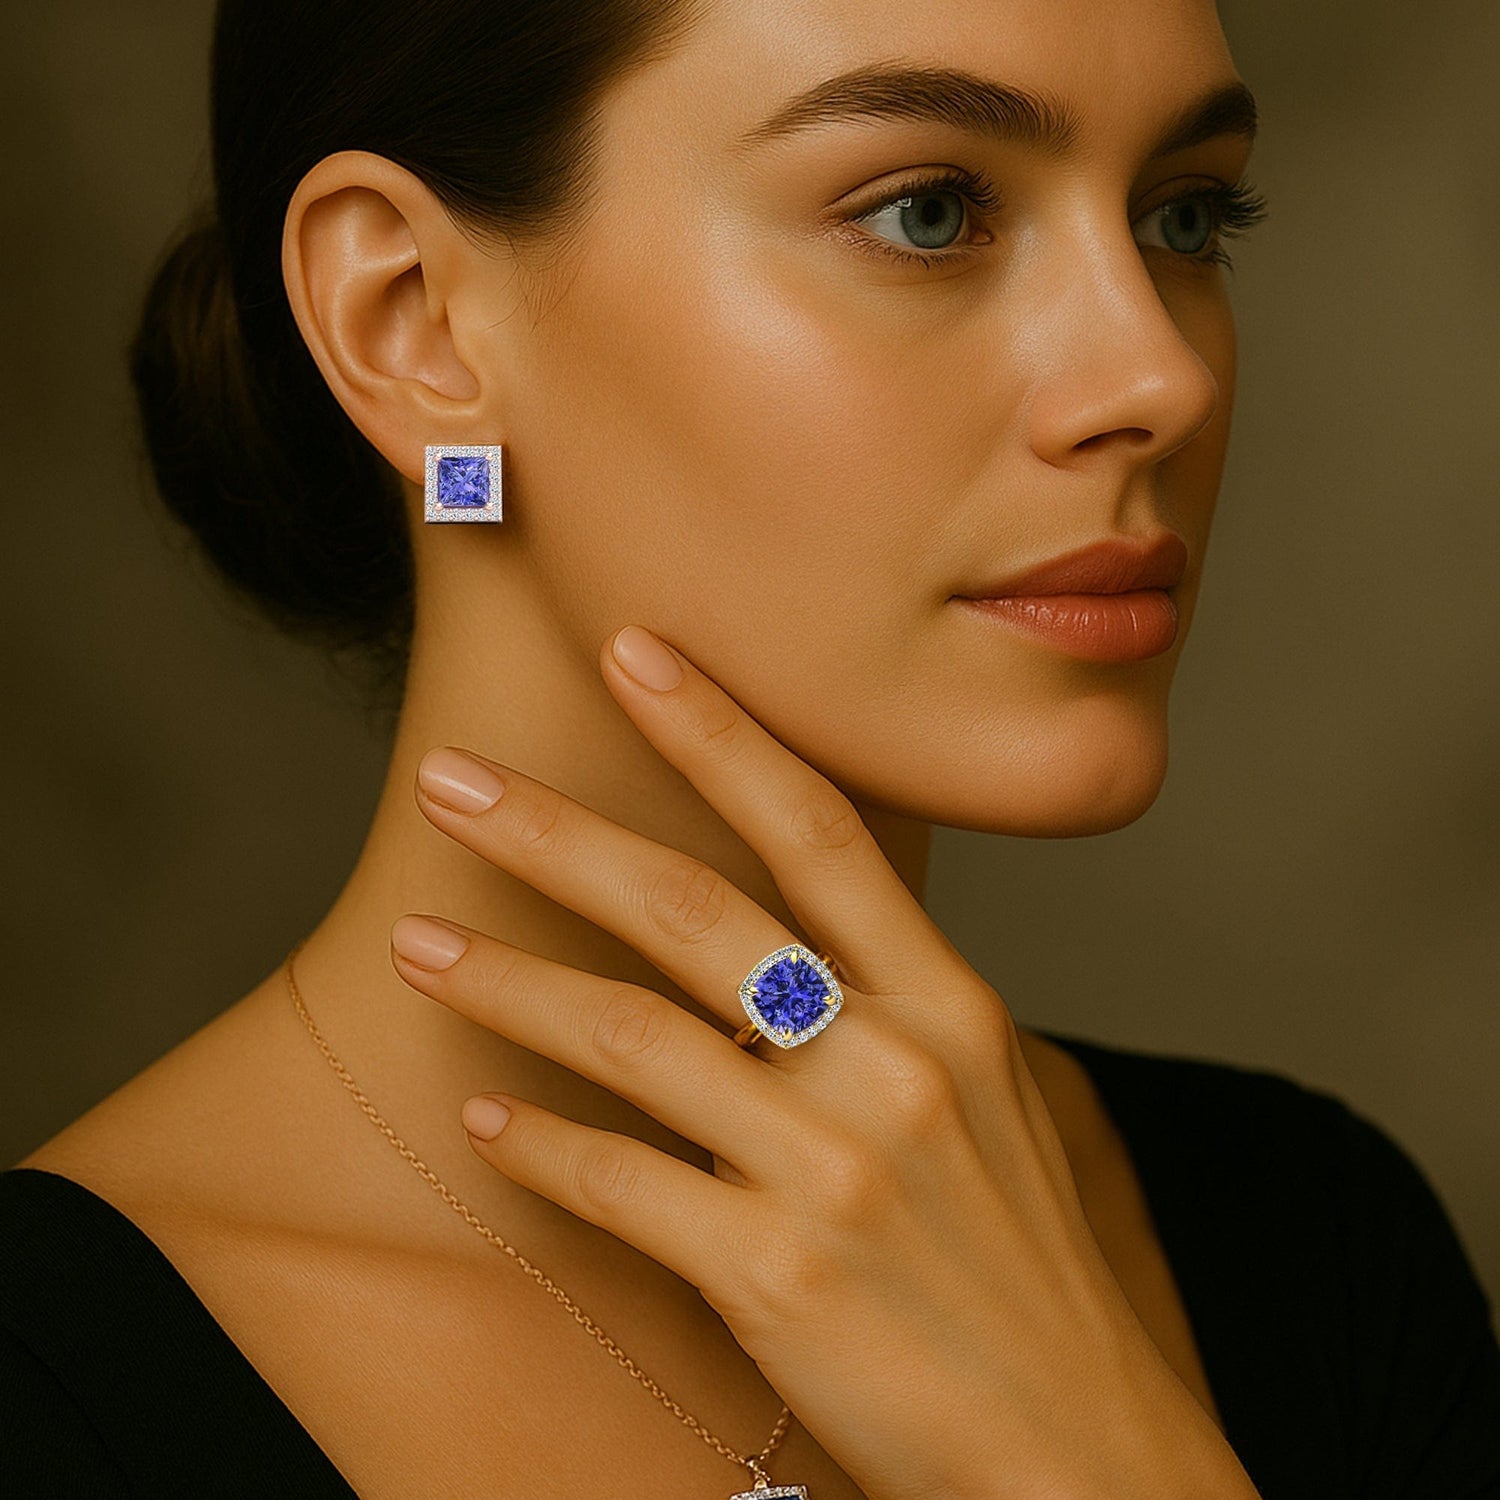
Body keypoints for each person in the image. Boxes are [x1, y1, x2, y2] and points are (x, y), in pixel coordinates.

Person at [3, 0, 1497, 1496]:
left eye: (1184, 215)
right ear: (413, 323)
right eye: (929, 212)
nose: (1159, 380)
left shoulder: (1317, 1248)